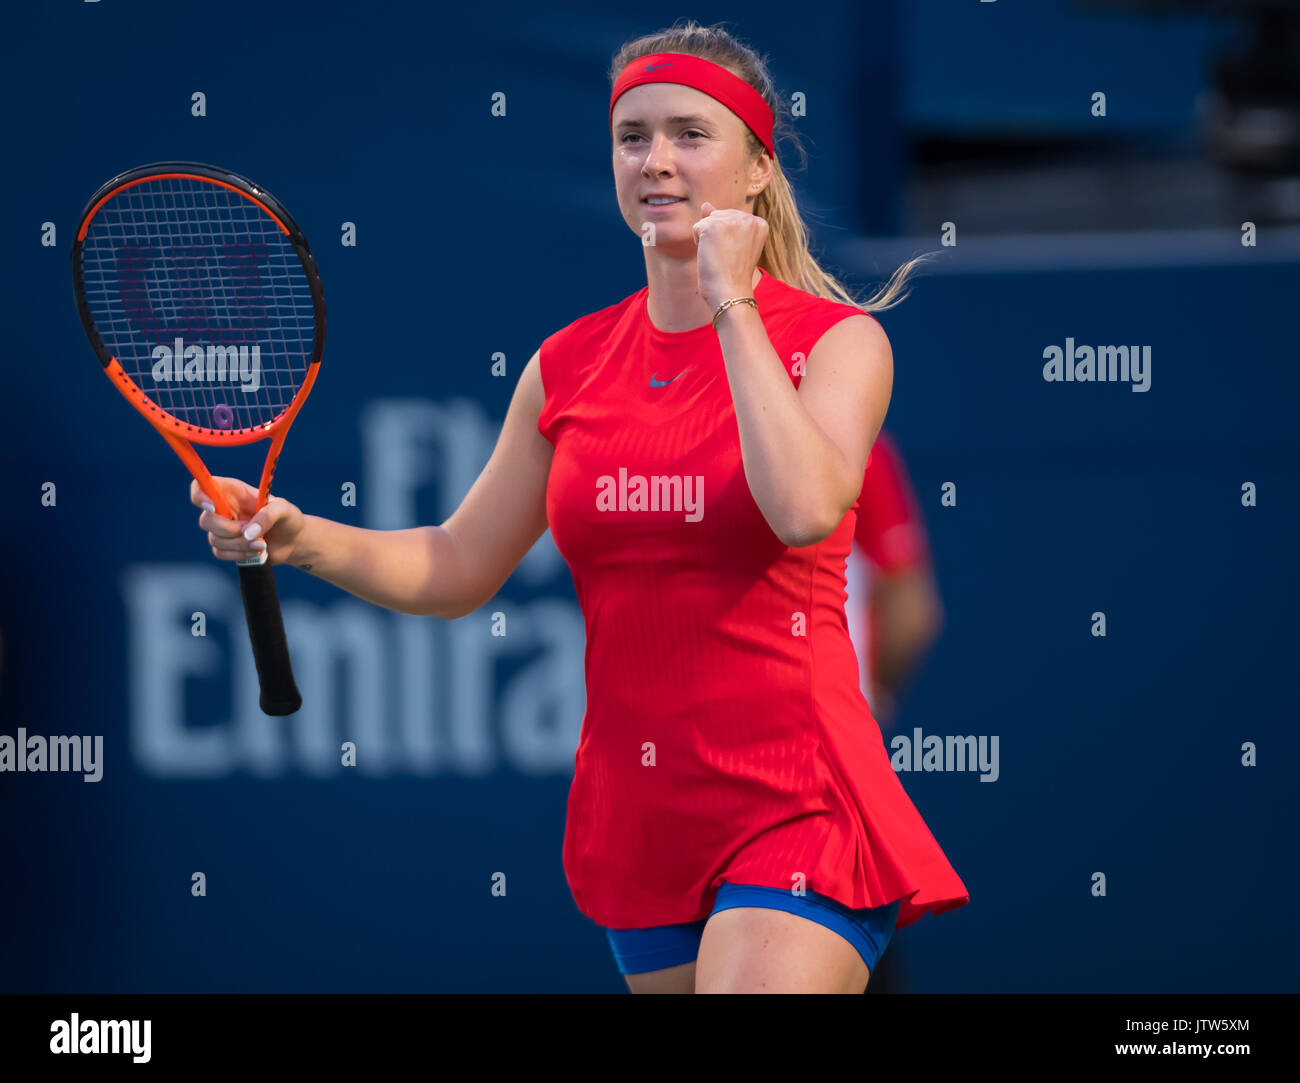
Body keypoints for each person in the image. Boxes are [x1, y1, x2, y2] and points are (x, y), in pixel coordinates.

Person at [192, 20, 968, 994]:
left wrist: (732, 305)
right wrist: (300, 536)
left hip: (798, 793)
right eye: (631, 136)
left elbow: (805, 509)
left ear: (758, 169)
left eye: (691, 134)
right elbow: (455, 565)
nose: (655, 160)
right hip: (638, 809)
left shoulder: (838, 342)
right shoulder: (566, 365)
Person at [843, 430, 946, 994]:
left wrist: (866, 703)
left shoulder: (858, 447)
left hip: (834, 770)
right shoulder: (856, 441)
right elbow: (915, 611)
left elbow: (913, 611)